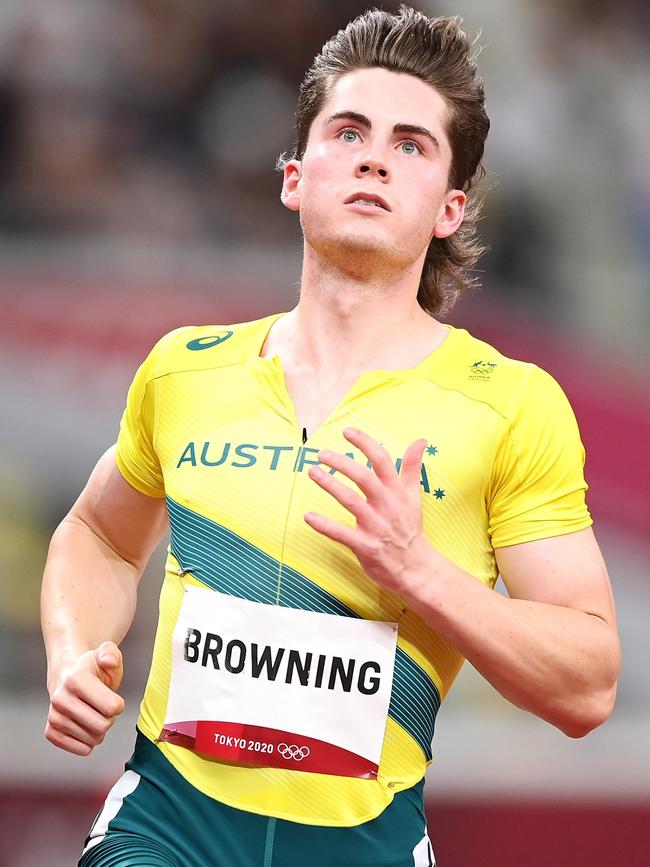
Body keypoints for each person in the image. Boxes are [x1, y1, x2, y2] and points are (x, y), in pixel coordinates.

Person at [41, 7, 621, 866]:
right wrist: (75, 650)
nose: (375, 156)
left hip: (363, 844)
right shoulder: (184, 371)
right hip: (166, 829)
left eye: (412, 145)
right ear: (295, 177)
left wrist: (420, 571)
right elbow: (98, 534)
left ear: (449, 209)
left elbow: (589, 681)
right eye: (348, 131)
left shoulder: (510, 404)